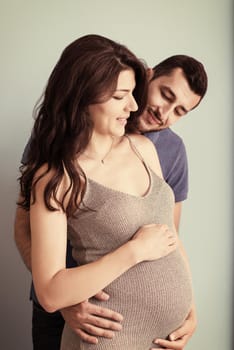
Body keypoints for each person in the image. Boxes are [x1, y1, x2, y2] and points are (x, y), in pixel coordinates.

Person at [15, 48, 208, 350]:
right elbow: (27, 234)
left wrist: (190, 309)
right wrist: (70, 302)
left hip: (160, 339)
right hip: (96, 324)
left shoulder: (150, 148)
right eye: (166, 95)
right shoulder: (56, 165)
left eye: (180, 111)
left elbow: (168, 233)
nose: (135, 106)